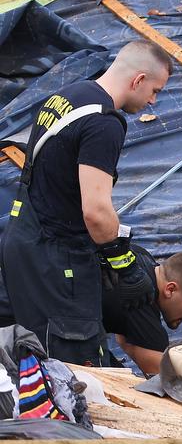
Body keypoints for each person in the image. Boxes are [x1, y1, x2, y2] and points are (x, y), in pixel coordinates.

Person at [2, 40, 170, 363]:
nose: (152, 101)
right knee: (73, 362)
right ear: (138, 80)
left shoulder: (67, 96)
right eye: (155, 91)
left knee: (33, 352)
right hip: (56, 257)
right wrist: (125, 263)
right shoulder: (104, 122)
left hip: (23, 239)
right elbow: (95, 210)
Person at [104, 249, 182, 375]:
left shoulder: (142, 257)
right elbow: (169, 379)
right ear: (170, 289)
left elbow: (125, 340)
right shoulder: (141, 301)